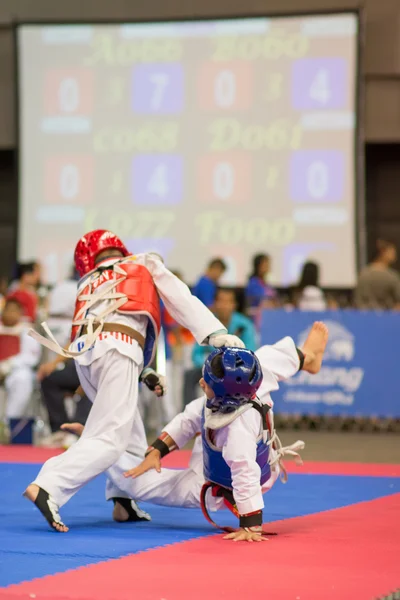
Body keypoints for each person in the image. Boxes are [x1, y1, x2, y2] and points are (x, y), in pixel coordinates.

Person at [24, 229, 244, 532]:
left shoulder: (88, 281)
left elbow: (108, 328)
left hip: (88, 360)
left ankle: (122, 499)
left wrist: (142, 371)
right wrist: (215, 333)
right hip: (119, 350)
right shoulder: (141, 262)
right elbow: (178, 295)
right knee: (109, 439)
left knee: (130, 440)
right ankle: (50, 485)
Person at [62, 322, 328, 541]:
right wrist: (157, 450)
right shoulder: (249, 384)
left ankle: (94, 443)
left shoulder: (238, 432)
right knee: (264, 359)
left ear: (223, 393)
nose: (201, 381)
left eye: (207, 382)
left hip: (218, 482)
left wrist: (250, 524)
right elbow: (187, 420)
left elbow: (245, 473)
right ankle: (306, 357)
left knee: (138, 484)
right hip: (220, 442)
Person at [0, 298, 41, 428]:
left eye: (15, 311)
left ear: (20, 314)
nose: (11, 314)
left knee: (23, 378)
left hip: (14, 370)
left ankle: (9, 423)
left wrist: (8, 365)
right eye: (8, 310)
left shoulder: (27, 330)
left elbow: (31, 357)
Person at [355, 240, 400, 309]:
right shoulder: (392, 276)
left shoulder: (363, 274)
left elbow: (358, 299)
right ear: (383, 252)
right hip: (387, 316)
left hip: (364, 316)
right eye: (392, 252)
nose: (394, 256)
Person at [245, 254, 277, 323]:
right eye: (266, 264)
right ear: (258, 266)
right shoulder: (253, 283)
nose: (268, 266)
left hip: (269, 317)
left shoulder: (266, 283)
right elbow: (258, 300)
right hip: (257, 320)